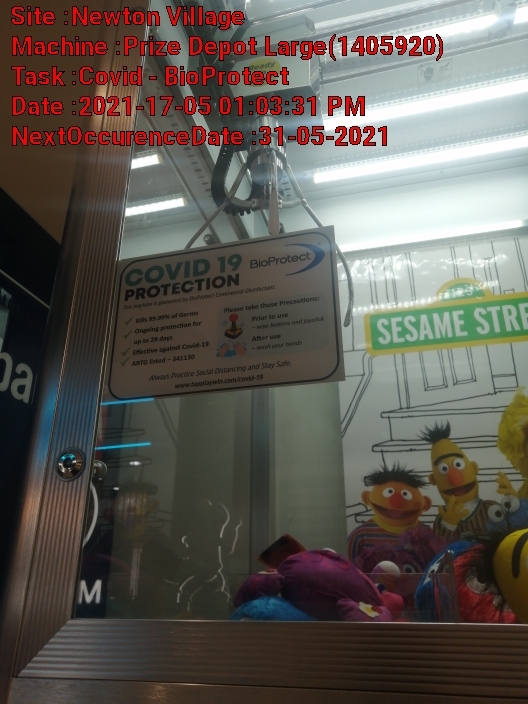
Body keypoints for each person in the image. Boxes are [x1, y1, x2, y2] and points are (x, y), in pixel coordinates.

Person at [419, 421, 497, 542]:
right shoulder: (442, 519)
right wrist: (448, 525)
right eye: (444, 469)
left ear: (474, 468)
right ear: (433, 480)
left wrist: (514, 503)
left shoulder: (490, 508)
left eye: (458, 465)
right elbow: (438, 549)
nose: (454, 478)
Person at [348, 463, 432, 562]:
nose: (397, 501)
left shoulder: (426, 533)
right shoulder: (360, 535)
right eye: (390, 492)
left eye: (405, 494)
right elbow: (349, 569)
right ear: (366, 497)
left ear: (426, 503)